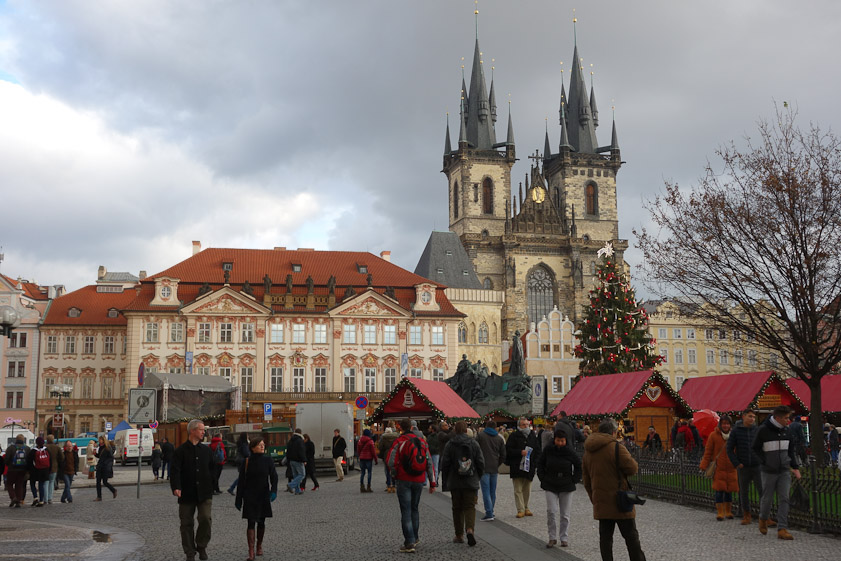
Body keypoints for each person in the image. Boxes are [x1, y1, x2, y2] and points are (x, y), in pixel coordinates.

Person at [582, 418, 647, 561]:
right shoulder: (616, 447)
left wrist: (594, 498)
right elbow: (633, 468)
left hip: (601, 501)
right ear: (613, 432)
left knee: (605, 539)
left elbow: (586, 480)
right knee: (631, 537)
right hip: (620, 500)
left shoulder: (589, 451)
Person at [387, 418, 436, 553]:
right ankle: (415, 537)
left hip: (403, 479)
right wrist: (432, 482)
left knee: (406, 510)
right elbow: (429, 463)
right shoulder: (421, 442)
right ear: (412, 427)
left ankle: (409, 542)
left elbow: (391, 461)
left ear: (401, 428)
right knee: (415, 508)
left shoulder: (399, 441)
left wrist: (394, 474)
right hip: (419, 479)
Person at [752, 405, 801, 540]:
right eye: (786, 418)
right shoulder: (763, 430)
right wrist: (764, 461)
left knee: (784, 498)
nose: (788, 420)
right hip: (769, 471)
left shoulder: (787, 431)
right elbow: (755, 448)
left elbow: (791, 451)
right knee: (767, 498)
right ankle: (763, 518)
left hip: (784, 470)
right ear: (777, 418)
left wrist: (795, 467)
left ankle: (782, 528)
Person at [172, 419, 215, 561]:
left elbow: (213, 468)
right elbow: (175, 471)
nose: (203, 432)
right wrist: (176, 487)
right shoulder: (180, 451)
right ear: (192, 431)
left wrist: (212, 483)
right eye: (201, 430)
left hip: (204, 492)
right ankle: (189, 552)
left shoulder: (206, 451)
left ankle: (201, 545)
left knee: (205, 519)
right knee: (186, 524)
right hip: (186, 492)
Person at [439, 420, 485, 546]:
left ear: (455, 430)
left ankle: (459, 535)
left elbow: (445, 463)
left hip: (455, 480)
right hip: (470, 480)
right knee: (470, 506)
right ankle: (470, 529)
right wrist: (478, 476)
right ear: (466, 430)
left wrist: (446, 479)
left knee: (457, 508)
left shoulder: (450, 444)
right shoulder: (473, 443)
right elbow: (481, 462)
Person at [235, 437, 278, 561]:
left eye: (263, 444)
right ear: (253, 448)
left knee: (261, 522)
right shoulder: (246, 461)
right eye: (259, 445)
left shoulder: (268, 460)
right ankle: (251, 551)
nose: (262, 446)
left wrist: (273, 491)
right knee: (251, 522)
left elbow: (274, 477)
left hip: (263, 494)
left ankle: (259, 545)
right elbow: (241, 481)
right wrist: (238, 499)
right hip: (250, 495)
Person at [538, 429, 582, 548]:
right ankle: (552, 537)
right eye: (558, 440)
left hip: (566, 484)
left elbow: (578, 465)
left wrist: (575, 479)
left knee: (565, 514)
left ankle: (564, 537)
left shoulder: (570, 451)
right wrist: (542, 477)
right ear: (554, 440)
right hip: (550, 483)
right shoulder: (548, 450)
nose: (561, 443)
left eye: (562, 441)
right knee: (551, 511)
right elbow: (540, 463)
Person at [726, 409, 765, 525]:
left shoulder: (757, 430)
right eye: (750, 416)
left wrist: (762, 460)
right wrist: (736, 463)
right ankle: (746, 514)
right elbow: (729, 449)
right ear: (743, 417)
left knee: (762, 491)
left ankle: (764, 515)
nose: (752, 419)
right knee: (743, 492)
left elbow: (762, 446)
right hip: (743, 466)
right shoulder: (736, 431)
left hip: (756, 465)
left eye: (753, 417)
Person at [699, 415, 738, 521]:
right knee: (719, 490)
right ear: (720, 424)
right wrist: (704, 465)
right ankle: (720, 512)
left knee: (729, 490)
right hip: (719, 467)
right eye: (724, 423)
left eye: (727, 424)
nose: (726, 426)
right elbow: (708, 452)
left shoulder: (733, 436)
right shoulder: (713, 435)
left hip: (731, 467)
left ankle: (728, 511)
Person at [505, 417, 540, 518]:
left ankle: (526, 507)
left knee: (527, 489)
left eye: (527, 424)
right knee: (518, 489)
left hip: (529, 466)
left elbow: (537, 450)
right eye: (523, 425)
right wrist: (519, 452)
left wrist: (535, 463)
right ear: (519, 426)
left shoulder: (532, 435)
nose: (526, 426)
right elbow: (508, 450)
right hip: (517, 466)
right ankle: (520, 509)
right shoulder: (514, 436)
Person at [476, 419, 506, 521]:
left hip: (483, 466)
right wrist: (498, 463)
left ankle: (489, 513)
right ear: (495, 427)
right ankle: (491, 511)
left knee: (486, 491)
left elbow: (475, 450)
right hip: (494, 466)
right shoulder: (499, 438)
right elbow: (503, 455)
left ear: (486, 426)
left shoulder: (480, 436)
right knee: (492, 491)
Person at [4, 433, 30, 507]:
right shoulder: (27, 448)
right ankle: (18, 501)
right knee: (19, 485)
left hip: (12, 469)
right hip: (22, 469)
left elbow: (6, 459)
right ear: (23, 440)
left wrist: (8, 465)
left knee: (9, 484)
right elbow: (29, 460)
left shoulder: (11, 448)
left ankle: (13, 497)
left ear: (16, 439)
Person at [27, 436, 51, 507]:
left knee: (32, 483)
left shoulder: (33, 451)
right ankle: (41, 500)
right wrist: (49, 470)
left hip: (35, 470)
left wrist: (30, 470)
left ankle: (35, 497)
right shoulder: (46, 450)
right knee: (41, 485)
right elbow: (50, 461)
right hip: (44, 470)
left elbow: (29, 461)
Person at [93, 435, 116, 502]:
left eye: (100, 440)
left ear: (103, 440)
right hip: (100, 467)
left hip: (105, 467)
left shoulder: (107, 448)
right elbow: (100, 456)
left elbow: (111, 457)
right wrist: (95, 454)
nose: (99, 441)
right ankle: (99, 496)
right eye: (99, 440)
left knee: (105, 482)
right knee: (98, 482)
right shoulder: (100, 447)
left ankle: (113, 490)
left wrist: (106, 464)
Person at [377, 423, 399, 492]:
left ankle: (389, 485)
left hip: (386, 455)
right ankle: (394, 485)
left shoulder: (383, 438)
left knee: (387, 470)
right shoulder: (395, 437)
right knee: (393, 469)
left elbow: (380, 447)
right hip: (394, 454)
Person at [286, 428, 306, 495]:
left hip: (291, 460)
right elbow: (301, 451)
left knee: (295, 475)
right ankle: (291, 485)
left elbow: (288, 451)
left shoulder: (290, 440)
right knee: (302, 474)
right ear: (300, 433)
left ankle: (297, 490)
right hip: (298, 460)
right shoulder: (300, 440)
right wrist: (304, 460)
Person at [357, 428, 378, 493]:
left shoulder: (360, 441)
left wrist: (360, 456)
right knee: (369, 473)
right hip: (368, 458)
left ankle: (362, 486)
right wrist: (375, 459)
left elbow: (358, 450)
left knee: (362, 473)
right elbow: (373, 452)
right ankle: (368, 487)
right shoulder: (370, 441)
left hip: (362, 458)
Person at [45, 434, 63, 504]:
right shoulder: (57, 447)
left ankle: (45, 498)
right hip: (54, 467)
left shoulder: (44, 447)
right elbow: (62, 457)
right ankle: (50, 498)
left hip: (45, 467)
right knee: (51, 482)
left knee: (46, 482)